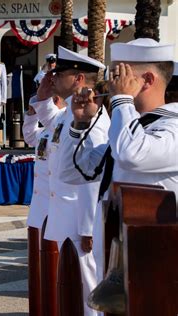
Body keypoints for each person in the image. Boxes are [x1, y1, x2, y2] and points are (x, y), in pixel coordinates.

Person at [58, 38, 178, 285]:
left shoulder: (172, 127)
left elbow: (132, 155)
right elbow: (72, 173)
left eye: (120, 76)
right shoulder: (129, 128)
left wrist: (122, 100)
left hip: (156, 265)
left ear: (147, 80)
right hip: (120, 259)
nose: (112, 85)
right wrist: (80, 123)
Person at [31, 46, 109, 316]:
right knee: (70, 290)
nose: (52, 77)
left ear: (78, 79)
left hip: (78, 223)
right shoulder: (69, 114)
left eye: (59, 73)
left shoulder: (93, 119)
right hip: (64, 217)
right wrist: (42, 99)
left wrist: (88, 228)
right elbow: (50, 125)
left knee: (87, 289)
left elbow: (92, 175)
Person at [22, 94, 65, 313]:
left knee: (54, 270)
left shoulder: (62, 123)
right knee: (40, 269)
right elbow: (30, 136)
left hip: (54, 206)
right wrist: (30, 113)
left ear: (56, 99)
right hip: (40, 205)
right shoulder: (48, 129)